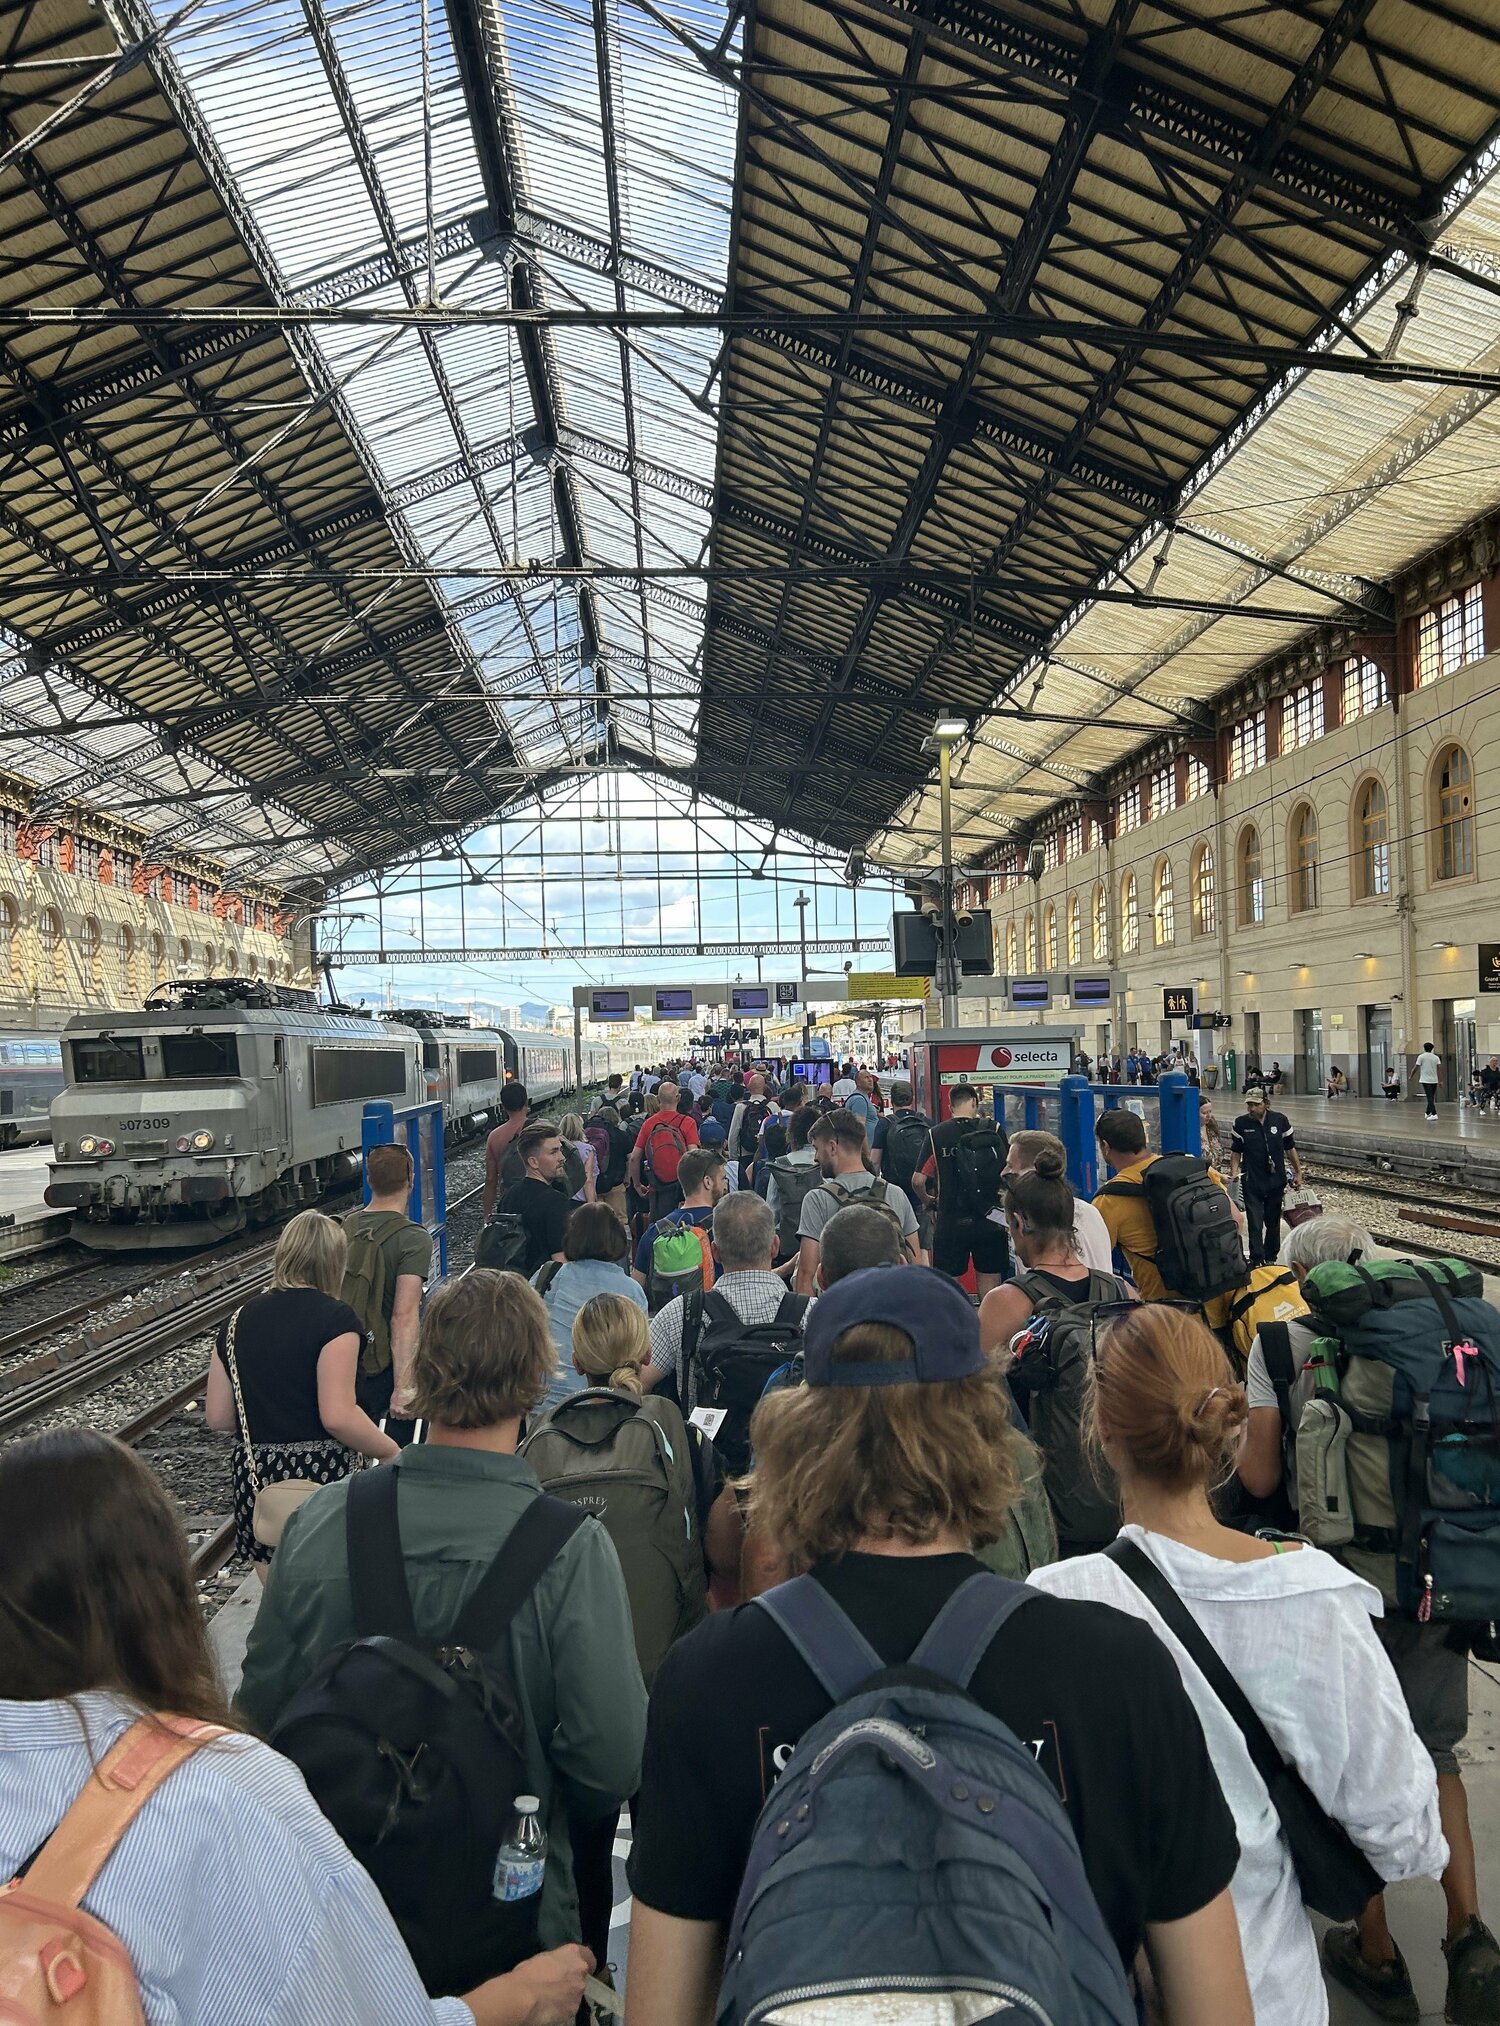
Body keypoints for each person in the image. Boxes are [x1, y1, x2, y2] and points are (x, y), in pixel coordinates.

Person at [624, 1267, 1253, 2026]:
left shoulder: (706, 1682)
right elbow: (1214, 2005)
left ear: (800, 1439)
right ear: (986, 1434)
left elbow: (663, 2008)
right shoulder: (1117, 1670)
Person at [0, 1430, 594, 2026]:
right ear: (158, 1596)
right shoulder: (221, 1791)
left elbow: (264, 1686)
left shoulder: (322, 1522)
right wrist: (519, 1999)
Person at [1031, 1301, 1445, 2026]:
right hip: (1269, 1994)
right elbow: (1407, 1837)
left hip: (1093, 1996)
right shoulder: (1313, 1600)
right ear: (1224, 1423)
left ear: (1101, 1431)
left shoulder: (1048, 1606)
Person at [237, 1270, 647, 1969]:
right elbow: (611, 1760)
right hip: (511, 1931)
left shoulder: (323, 1522)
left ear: (424, 1372)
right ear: (536, 1381)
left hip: (342, 1930)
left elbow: (258, 1718)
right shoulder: (571, 1550)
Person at [1235, 1213, 1500, 2023]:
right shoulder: (1447, 1338)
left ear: (1304, 1278)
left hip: (1334, 1588)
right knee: (1436, 1751)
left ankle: (1377, 1952)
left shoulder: (1279, 1345)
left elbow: (1258, 1479)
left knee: (1340, 1763)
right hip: (1439, 1571)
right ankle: (1467, 1935)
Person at [204, 1209, 398, 1571]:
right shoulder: (337, 1320)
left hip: (258, 1481)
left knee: (279, 1595)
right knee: (329, 1589)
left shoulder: (235, 1321)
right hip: (324, 1478)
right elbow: (338, 1416)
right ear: (335, 1261)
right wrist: (390, 1452)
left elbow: (218, 1416)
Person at [646, 1188, 807, 1410]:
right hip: (785, 1432)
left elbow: (636, 1383)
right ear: (775, 1246)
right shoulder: (813, 1314)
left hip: (705, 1433)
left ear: (715, 1252)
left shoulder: (682, 1313)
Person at [1093, 1108, 1232, 1302]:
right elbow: (1237, 1219)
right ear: (1143, 1137)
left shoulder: (1108, 1200)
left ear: (1105, 1146)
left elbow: (1095, 1262)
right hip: (1223, 1297)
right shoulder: (1192, 1168)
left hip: (1167, 1311)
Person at [342, 1139, 433, 1425]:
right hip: (381, 1366)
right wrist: (403, 1387)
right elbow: (403, 1316)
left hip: (343, 1358)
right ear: (411, 1180)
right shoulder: (414, 1238)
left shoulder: (346, 1227)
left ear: (369, 1180)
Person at [532, 1202, 647, 1411]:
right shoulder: (631, 1291)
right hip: (608, 1404)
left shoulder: (547, 1275)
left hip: (546, 1406)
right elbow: (640, 1352)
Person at [795, 1108, 922, 1293]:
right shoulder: (895, 1194)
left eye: (817, 1149)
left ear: (832, 1147)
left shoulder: (817, 1199)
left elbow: (806, 1277)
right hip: (892, 1303)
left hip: (841, 1306)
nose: (815, 1158)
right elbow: (917, 1267)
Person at [921, 1083, 1010, 1295]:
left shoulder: (936, 1134)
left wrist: (928, 1201)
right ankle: (987, 1316)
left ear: (951, 1106)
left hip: (950, 1218)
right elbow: (1008, 1171)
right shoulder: (994, 1129)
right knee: (990, 1279)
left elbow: (918, 1179)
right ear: (974, 1103)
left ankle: (956, 1315)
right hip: (990, 1218)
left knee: (948, 1283)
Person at [1005, 1127, 1113, 1270]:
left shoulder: (1032, 1221)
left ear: (1033, 1171)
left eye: (1010, 1166)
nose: (1004, 1172)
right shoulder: (1090, 1211)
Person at [633, 1146, 727, 1301]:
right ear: (708, 1182)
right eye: (723, 1178)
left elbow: (636, 1289)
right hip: (712, 1312)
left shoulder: (654, 1231)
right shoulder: (724, 1228)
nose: (725, 1185)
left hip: (666, 1313)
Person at [1229, 1086, 1303, 1267]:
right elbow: (1236, 1151)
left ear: (1266, 1103)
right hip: (1252, 1181)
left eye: (1256, 1104)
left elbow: (1290, 1148)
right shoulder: (1241, 1123)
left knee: (1273, 1221)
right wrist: (1234, 1171)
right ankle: (1256, 1258)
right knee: (1255, 1222)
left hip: (1275, 1181)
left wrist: (1298, 1172)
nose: (1252, 1108)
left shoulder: (1280, 1120)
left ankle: (1271, 1257)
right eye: (1249, 1105)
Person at [500, 1121, 572, 1276]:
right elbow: (560, 1263)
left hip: (512, 1283)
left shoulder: (508, 1196)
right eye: (553, 1152)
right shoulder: (556, 1202)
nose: (562, 1157)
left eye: (560, 1150)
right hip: (541, 1288)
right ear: (533, 1162)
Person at [628, 1079, 700, 1218]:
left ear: (657, 1099)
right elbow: (693, 1155)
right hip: (682, 1187)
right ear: (678, 1098)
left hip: (657, 1188)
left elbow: (634, 1158)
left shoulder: (649, 1123)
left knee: (659, 1226)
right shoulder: (688, 1122)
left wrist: (637, 1184)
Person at [765, 1101, 820, 1268]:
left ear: (791, 1134)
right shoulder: (824, 1164)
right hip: (819, 1247)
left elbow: (772, 1209)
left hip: (787, 1246)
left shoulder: (780, 1164)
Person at [482, 1083, 531, 1222]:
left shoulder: (494, 1137)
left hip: (509, 1201)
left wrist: (487, 1215)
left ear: (503, 1106)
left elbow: (490, 1180)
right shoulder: (541, 1128)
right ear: (526, 1102)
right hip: (540, 1197)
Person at [558, 1112, 598, 1204]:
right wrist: (591, 1204)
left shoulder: (558, 1148)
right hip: (581, 1200)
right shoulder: (587, 1150)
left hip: (563, 1198)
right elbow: (588, 1180)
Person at [1413, 1040, 1444, 1119]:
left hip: (1425, 1080)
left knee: (1429, 1097)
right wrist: (1441, 1080)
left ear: (1424, 1048)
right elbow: (1440, 1069)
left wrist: (1411, 1076)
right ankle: (1427, 1112)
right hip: (1434, 1080)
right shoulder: (1436, 1057)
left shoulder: (1421, 1057)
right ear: (1432, 1049)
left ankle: (1434, 1114)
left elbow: (1416, 1067)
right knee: (1431, 1096)